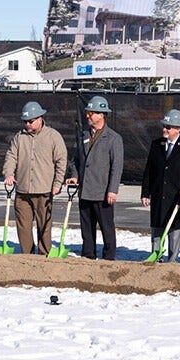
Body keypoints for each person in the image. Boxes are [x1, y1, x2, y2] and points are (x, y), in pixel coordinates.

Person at [2, 101, 67, 255]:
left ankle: (44, 254)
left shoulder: (53, 136)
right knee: (23, 226)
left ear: (40, 118)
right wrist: (9, 173)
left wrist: (57, 183)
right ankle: (27, 255)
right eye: (25, 121)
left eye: (30, 121)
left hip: (44, 190)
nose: (27, 124)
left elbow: (61, 160)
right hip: (22, 190)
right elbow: (11, 156)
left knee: (44, 225)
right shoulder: (19, 137)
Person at [140, 109, 180, 262]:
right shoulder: (156, 145)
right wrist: (145, 192)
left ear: (178, 128)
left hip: (177, 197)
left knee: (174, 231)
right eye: (164, 126)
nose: (164, 129)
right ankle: (156, 258)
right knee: (157, 230)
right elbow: (149, 170)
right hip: (159, 195)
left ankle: (172, 262)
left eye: (168, 127)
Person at [69, 96, 124, 260]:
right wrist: (74, 176)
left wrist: (112, 190)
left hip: (103, 192)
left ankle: (109, 257)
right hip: (85, 191)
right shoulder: (83, 135)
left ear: (101, 115)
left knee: (107, 227)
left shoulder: (114, 138)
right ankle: (88, 255)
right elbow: (76, 160)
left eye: (91, 113)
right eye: (87, 112)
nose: (88, 116)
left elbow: (117, 166)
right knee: (86, 227)